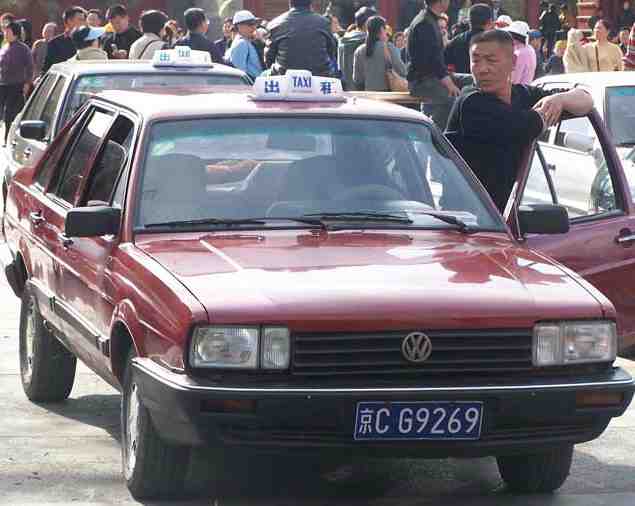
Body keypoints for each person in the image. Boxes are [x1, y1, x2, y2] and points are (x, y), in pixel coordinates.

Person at [444, 29, 592, 212]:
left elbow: (585, 100)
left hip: (502, 219)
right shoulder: (471, 103)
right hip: (466, 220)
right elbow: (528, 125)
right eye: (475, 60)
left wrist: (560, 100)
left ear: (513, 62)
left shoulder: (523, 94)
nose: (482, 69)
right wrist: (553, 107)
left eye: (491, 60)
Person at [407, 0, 471, 128]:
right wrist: (449, 84)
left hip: (433, 76)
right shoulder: (424, 23)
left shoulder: (430, 19)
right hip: (422, 80)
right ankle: (437, 136)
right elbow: (432, 61)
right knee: (451, 101)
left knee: (471, 80)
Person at [266, 0, 338, 77]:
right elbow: (331, 52)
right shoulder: (324, 23)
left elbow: (269, 57)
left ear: (290, 3)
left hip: (283, 75)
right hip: (320, 75)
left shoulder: (275, 24)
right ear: (311, 3)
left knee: (264, 74)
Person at [352, 15, 406, 91]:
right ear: (381, 29)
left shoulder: (359, 50)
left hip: (369, 95)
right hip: (388, 94)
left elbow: (357, 79)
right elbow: (402, 71)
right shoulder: (389, 47)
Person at [0, 21, 33, 144]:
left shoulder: (23, 48)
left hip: (16, 85)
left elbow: (30, 67)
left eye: (7, 31)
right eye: (5, 31)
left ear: (15, 33)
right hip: (3, 84)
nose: (5, 33)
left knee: (10, 113)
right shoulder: (4, 46)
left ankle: (8, 137)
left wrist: (27, 83)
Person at [444, 3, 493, 74]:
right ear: (489, 21)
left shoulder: (456, 41)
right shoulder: (495, 43)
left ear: (469, 21)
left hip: (460, 82)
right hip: (486, 82)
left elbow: (443, 64)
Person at [338, 6, 376, 89]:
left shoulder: (342, 40)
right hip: (362, 90)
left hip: (344, 88)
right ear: (367, 23)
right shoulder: (367, 41)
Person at [43, 6, 86, 74]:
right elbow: (47, 70)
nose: (83, 23)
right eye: (80, 19)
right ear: (69, 21)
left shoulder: (88, 42)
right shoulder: (55, 44)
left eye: (84, 20)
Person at [225, 10, 263, 79]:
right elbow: (239, 74)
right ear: (239, 26)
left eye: (255, 24)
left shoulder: (246, 41)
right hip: (249, 86)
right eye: (250, 24)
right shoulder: (241, 43)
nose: (254, 27)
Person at [504, 21, 535, 85]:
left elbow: (514, 80)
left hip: (517, 91)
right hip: (525, 89)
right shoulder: (530, 49)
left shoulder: (518, 54)